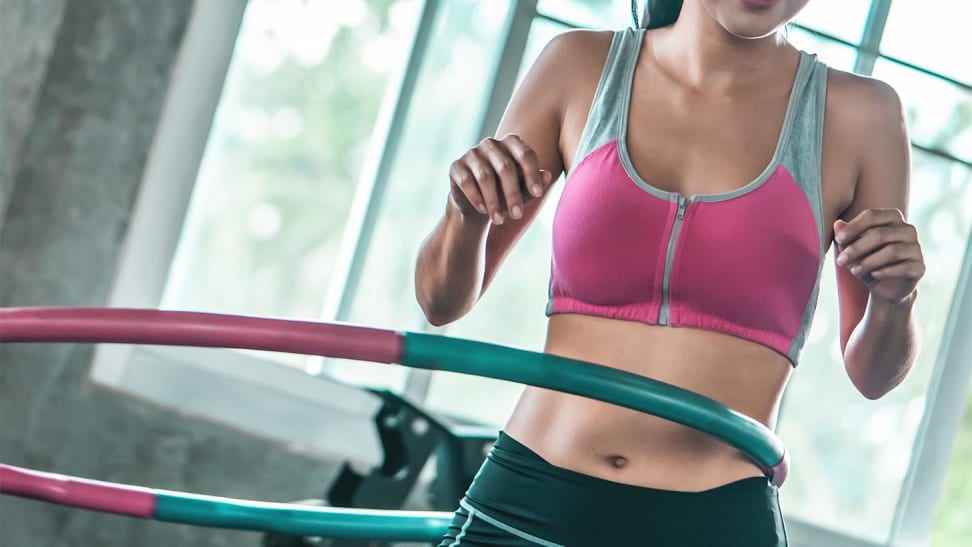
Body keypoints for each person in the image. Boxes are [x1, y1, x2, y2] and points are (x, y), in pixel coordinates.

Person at [414, 0, 925, 545]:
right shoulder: (578, 65)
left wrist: (896, 302)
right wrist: (463, 216)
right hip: (532, 496)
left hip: (712, 523)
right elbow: (439, 303)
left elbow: (874, 377)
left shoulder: (861, 114)